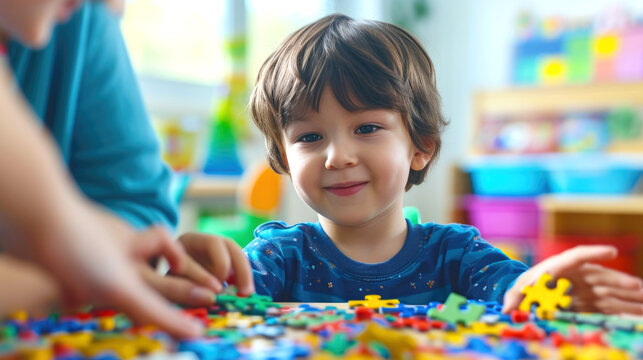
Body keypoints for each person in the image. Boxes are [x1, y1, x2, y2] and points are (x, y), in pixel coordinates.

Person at [244, 14, 643, 314]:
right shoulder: (277, 257)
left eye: (366, 127)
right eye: (309, 137)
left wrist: (538, 290)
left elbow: (515, 292)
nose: (338, 157)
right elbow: (217, 299)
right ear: (283, 159)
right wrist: (195, 273)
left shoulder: (457, 255)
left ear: (420, 147)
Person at [0, 0, 254, 337]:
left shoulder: (79, 17)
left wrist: (113, 256)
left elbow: (132, 208)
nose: (117, 6)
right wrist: (74, 283)